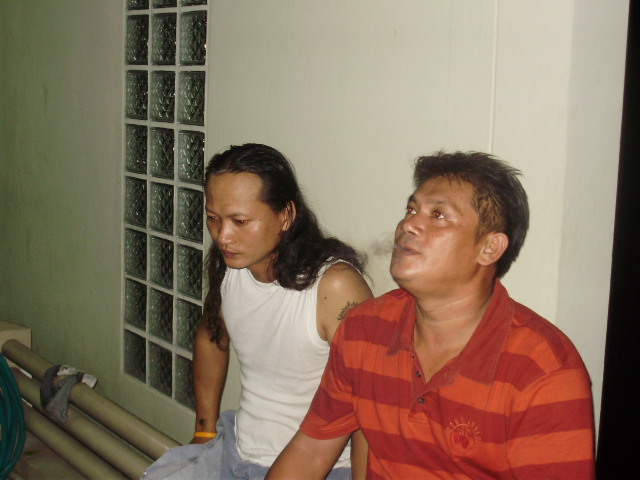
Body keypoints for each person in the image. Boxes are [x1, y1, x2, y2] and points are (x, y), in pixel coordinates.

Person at [267, 151, 595, 479]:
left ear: (489, 248)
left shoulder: (543, 370)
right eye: (411, 209)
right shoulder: (364, 329)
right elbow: (310, 452)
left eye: (438, 214)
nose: (407, 224)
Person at [141, 144, 372, 480]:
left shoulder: (334, 287)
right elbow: (212, 334)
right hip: (238, 448)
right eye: (213, 218)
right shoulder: (232, 266)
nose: (223, 236)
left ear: (286, 216)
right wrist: (204, 430)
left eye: (240, 221)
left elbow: (370, 401)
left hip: (323, 468)